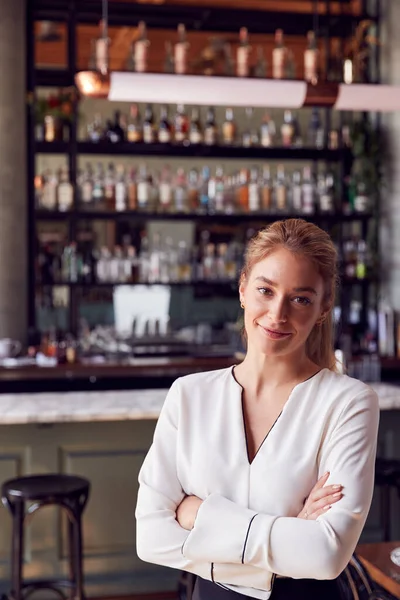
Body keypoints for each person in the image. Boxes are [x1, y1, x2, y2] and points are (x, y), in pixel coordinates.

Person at [135, 219, 379, 600]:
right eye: (266, 290)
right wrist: (289, 530)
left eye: (300, 298)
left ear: (323, 307)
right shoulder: (189, 395)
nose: (278, 314)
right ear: (243, 289)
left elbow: (327, 555)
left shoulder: (349, 402)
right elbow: (150, 537)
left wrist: (200, 517)